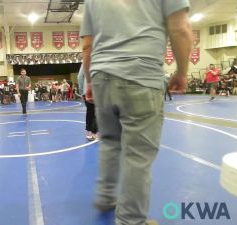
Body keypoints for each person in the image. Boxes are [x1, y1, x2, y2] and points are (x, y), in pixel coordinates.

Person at [81, 1, 192, 225]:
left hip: (102, 76)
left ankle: (105, 197)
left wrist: (90, 81)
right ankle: (130, 220)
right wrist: (181, 72)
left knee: (110, 141)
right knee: (138, 155)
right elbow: (180, 28)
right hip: (141, 75)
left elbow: (87, 45)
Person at [78, 65, 98, 140]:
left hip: (87, 91)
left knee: (90, 112)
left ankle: (90, 133)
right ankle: (94, 132)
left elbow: (80, 76)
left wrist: (82, 91)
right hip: (101, 90)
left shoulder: (86, 61)